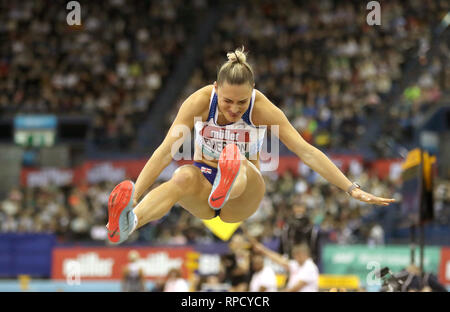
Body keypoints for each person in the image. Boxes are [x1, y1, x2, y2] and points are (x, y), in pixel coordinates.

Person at [105, 46, 396, 245]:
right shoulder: (199, 101)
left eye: (241, 102)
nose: (233, 108)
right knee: (181, 174)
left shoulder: (262, 108)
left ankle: (227, 181)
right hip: (204, 189)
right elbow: (165, 149)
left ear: (252, 94)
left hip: (244, 192)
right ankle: (129, 222)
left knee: (236, 158)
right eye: (228, 101)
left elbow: (306, 151)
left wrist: (351, 188)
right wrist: (136, 192)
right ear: (215, 89)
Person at [247, 235, 319, 292]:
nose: (295, 257)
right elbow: (279, 260)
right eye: (294, 255)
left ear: (304, 254)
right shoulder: (296, 264)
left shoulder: (310, 267)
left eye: (297, 255)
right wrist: (263, 250)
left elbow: (296, 288)